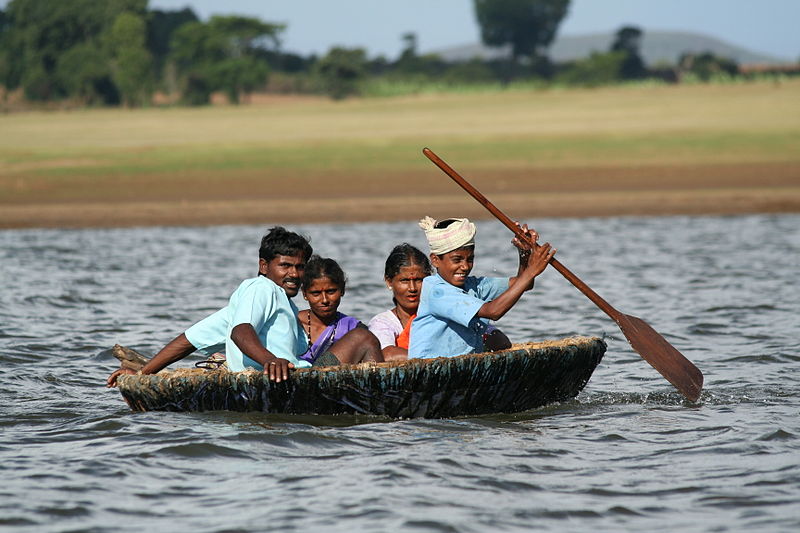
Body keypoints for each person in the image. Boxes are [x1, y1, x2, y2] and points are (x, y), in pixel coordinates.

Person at [107, 227, 381, 387]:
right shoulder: (261, 288)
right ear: (264, 266)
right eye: (285, 265)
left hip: (292, 373)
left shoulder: (272, 300)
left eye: (300, 267)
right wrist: (269, 360)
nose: (294, 274)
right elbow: (241, 332)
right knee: (363, 338)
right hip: (290, 377)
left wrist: (142, 373)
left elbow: (189, 340)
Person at [408, 216, 556, 359]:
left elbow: (524, 284)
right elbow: (494, 312)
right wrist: (531, 270)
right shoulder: (437, 291)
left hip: (461, 367)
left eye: (470, 259)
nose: (465, 266)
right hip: (428, 369)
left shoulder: (472, 286)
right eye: (457, 260)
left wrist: (524, 254)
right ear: (435, 260)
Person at [298, 255, 377, 366]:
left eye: (331, 291)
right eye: (316, 293)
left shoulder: (354, 328)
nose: (325, 300)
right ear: (304, 294)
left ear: (342, 289)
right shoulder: (293, 323)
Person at [367, 244, 431, 361]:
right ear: (389, 282)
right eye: (404, 281)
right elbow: (387, 354)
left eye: (418, 280)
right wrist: (432, 360)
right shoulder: (382, 323)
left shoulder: (437, 315)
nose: (412, 288)